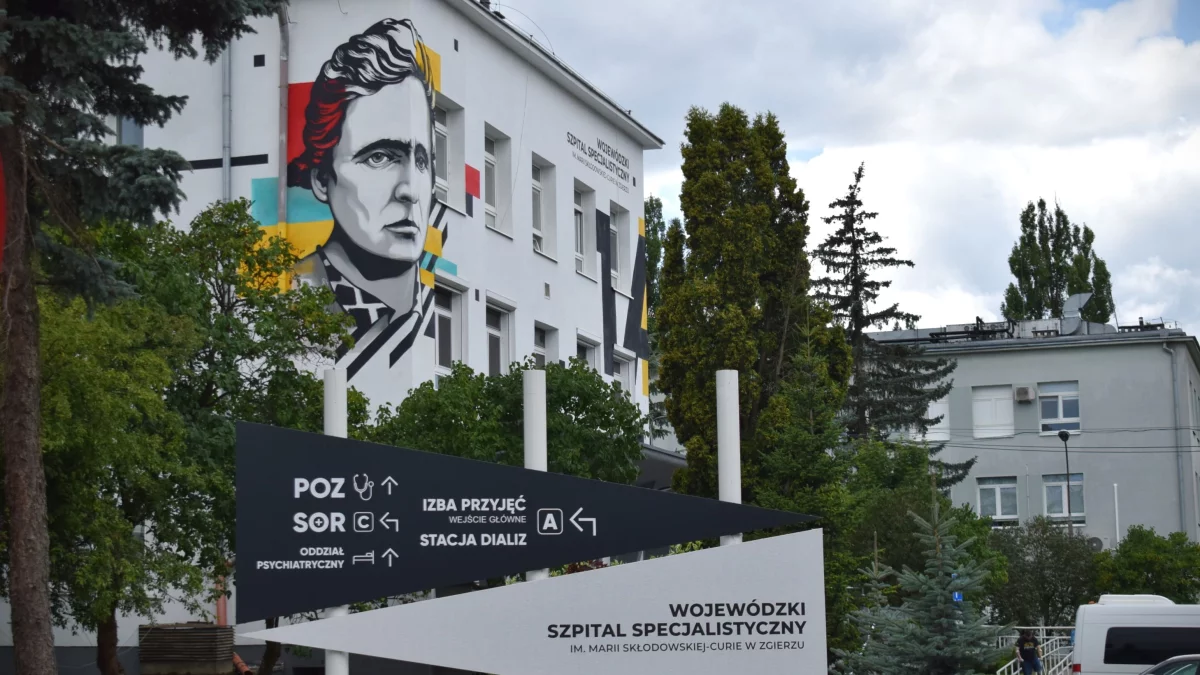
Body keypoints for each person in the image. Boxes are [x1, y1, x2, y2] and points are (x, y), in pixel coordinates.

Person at [288, 17, 449, 380]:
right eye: (379, 157)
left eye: (421, 160)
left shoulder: (432, 306)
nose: (410, 190)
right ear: (322, 178)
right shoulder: (291, 299)